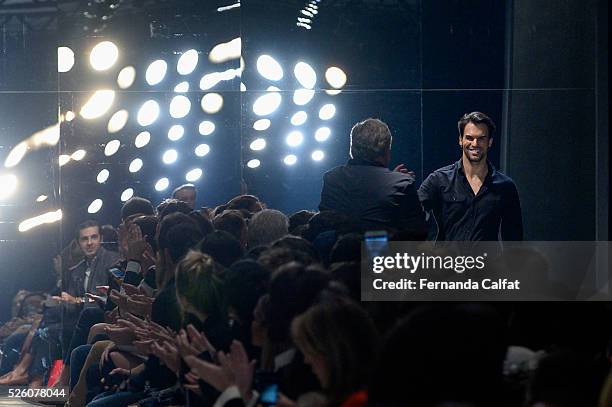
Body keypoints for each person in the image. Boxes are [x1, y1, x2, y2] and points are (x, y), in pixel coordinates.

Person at [418, 111, 523, 241]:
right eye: (469, 138)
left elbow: (514, 238)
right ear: (460, 140)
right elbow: (411, 211)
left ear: (489, 142)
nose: (475, 144)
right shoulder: (439, 180)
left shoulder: (505, 187)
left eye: (481, 138)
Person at [319, 118, 426, 237]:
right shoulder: (402, 183)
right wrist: (397, 181)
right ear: (387, 151)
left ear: (352, 149)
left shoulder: (331, 178)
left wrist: (394, 179)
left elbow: (325, 222)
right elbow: (418, 233)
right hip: (380, 254)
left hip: (336, 253)